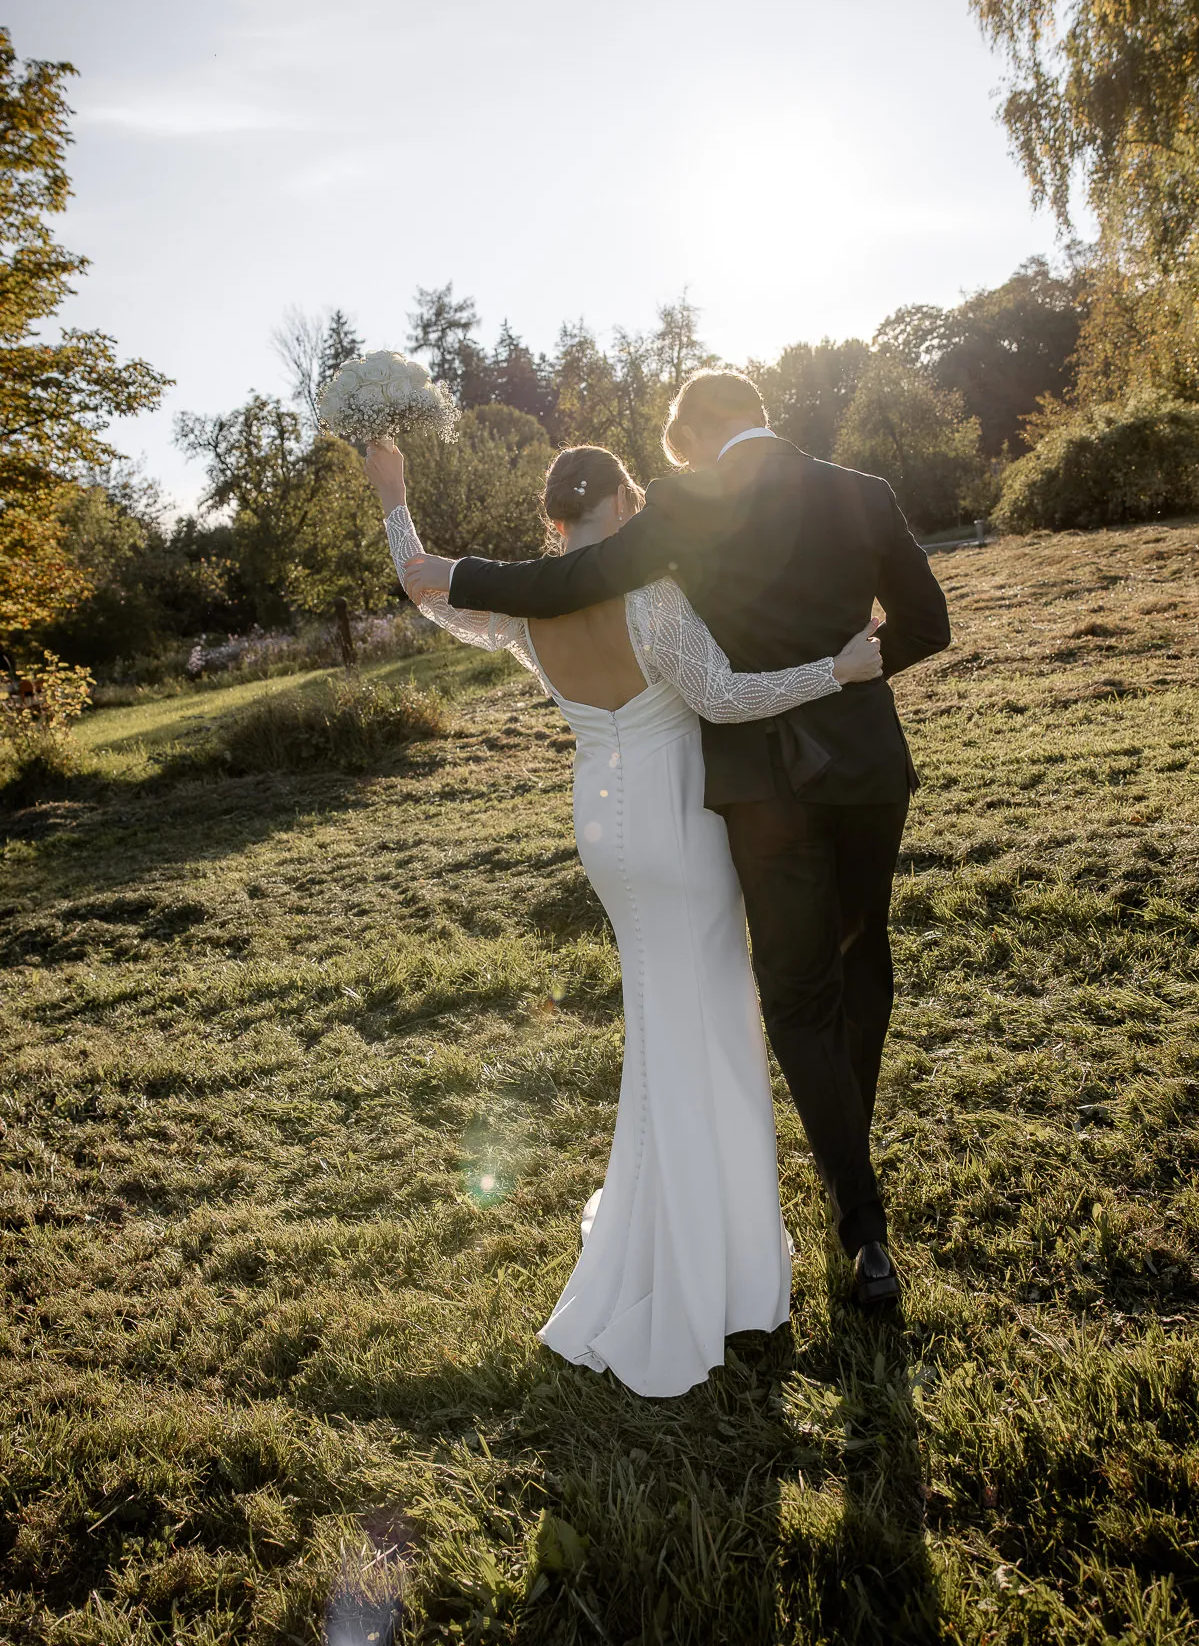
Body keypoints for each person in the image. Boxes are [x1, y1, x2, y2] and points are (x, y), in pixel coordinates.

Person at [364, 437, 884, 1398]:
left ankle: (683, 1225)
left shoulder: (522, 605)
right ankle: (711, 1264)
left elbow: (421, 586)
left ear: (554, 519)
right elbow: (724, 699)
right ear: (628, 500)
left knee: (659, 1026)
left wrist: (393, 493)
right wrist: (837, 670)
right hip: (682, 827)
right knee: (713, 1025)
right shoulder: (650, 594)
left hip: (604, 827)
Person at [444, 371, 952, 1306]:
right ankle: (850, 1166)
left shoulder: (684, 502)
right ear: (762, 415)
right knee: (860, 964)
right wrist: (856, 672)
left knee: (797, 998)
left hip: (764, 787)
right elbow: (930, 623)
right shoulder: (862, 492)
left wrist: (454, 577)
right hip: (868, 770)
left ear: (682, 439)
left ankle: (860, 1221)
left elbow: (577, 578)